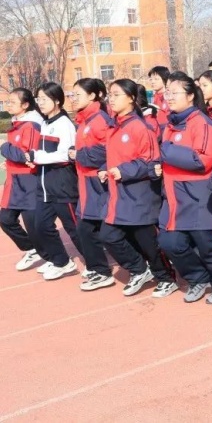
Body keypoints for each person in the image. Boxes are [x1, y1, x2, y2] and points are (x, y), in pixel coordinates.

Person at [155, 72, 212, 304]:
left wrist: (167, 151)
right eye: (167, 92)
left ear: (190, 96)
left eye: (175, 92)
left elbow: (202, 161)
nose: (169, 97)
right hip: (174, 195)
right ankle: (198, 277)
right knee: (169, 242)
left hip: (199, 195)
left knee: (208, 246)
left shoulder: (202, 123)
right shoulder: (171, 124)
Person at [99, 79, 177, 297]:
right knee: (108, 235)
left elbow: (151, 162)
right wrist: (105, 169)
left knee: (149, 242)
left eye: (116, 94)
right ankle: (139, 269)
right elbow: (113, 156)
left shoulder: (140, 127)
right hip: (118, 194)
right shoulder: (114, 126)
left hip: (139, 195)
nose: (111, 99)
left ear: (131, 98)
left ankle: (166, 278)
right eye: (110, 95)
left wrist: (123, 171)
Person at [29, 82, 80, 280]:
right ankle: (62, 261)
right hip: (44, 185)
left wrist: (37, 157)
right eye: (38, 99)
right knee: (40, 225)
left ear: (57, 100)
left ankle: (96, 265)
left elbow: (67, 154)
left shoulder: (64, 124)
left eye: (44, 99)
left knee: (74, 228)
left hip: (62, 184)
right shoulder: (45, 123)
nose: (40, 103)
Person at [70, 78, 116, 291]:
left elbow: (107, 151)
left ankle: (141, 265)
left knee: (103, 229)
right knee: (85, 228)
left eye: (77, 94)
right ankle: (100, 269)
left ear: (92, 96)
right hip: (85, 182)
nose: (73, 98)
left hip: (98, 182)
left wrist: (78, 155)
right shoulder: (84, 120)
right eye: (72, 95)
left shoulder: (100, 120)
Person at [0, 89, 43, 271]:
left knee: (34, 224)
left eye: (12, 102)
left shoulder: (31, 125)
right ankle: (32, 249)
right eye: (7, 101)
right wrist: (9, 161)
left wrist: (4, 147)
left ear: (25, 105)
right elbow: (17, 154)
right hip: (14, 180)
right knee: (5, 219)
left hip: (28, 180)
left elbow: (26, 156)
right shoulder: (17, 123)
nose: (8, 105)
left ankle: (56, 257)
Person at [148, 66, 171, 130]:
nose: (152, 82)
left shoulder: (169, 97)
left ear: (164, 79)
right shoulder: (152, 97)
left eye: (156, 79)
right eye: (151, 79)